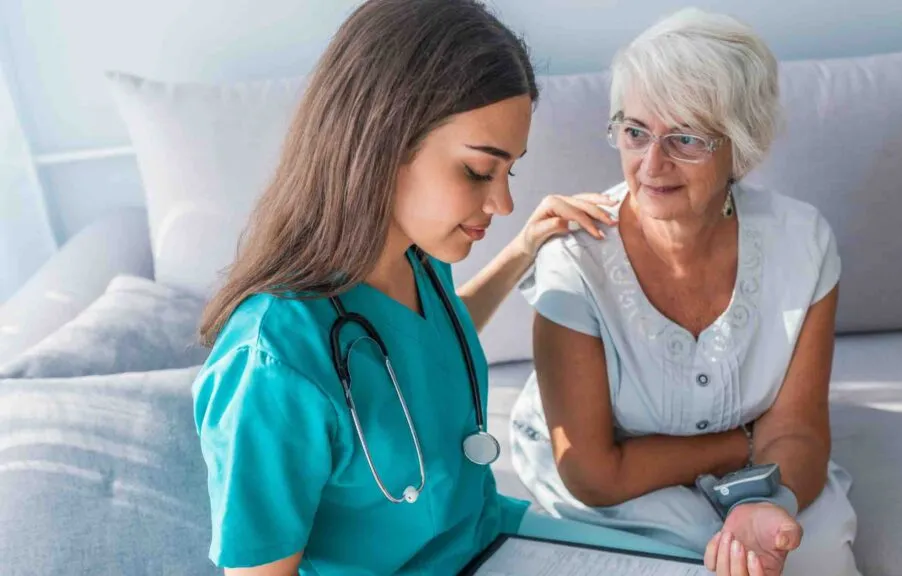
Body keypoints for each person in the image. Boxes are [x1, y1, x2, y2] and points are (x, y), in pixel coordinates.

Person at [191, 1, 701, 574]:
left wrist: (523, 249)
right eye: (480, 170)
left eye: (510, 171)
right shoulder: (271, 362)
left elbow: (427, 349)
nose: (503, 203)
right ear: (383, 140)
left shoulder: (418, 260)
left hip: (493, 538)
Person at [509, 8, 861, 576]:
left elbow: (797, 429)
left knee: (809, 556)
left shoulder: (803, 242)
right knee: (692, 556)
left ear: (739, 148)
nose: (652, 164)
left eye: (686, 138)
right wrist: (745, 444)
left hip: (758, 469)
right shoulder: (574, 258)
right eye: (635, 131)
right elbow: (595, 473)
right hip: (612, 478)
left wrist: (769, 499)